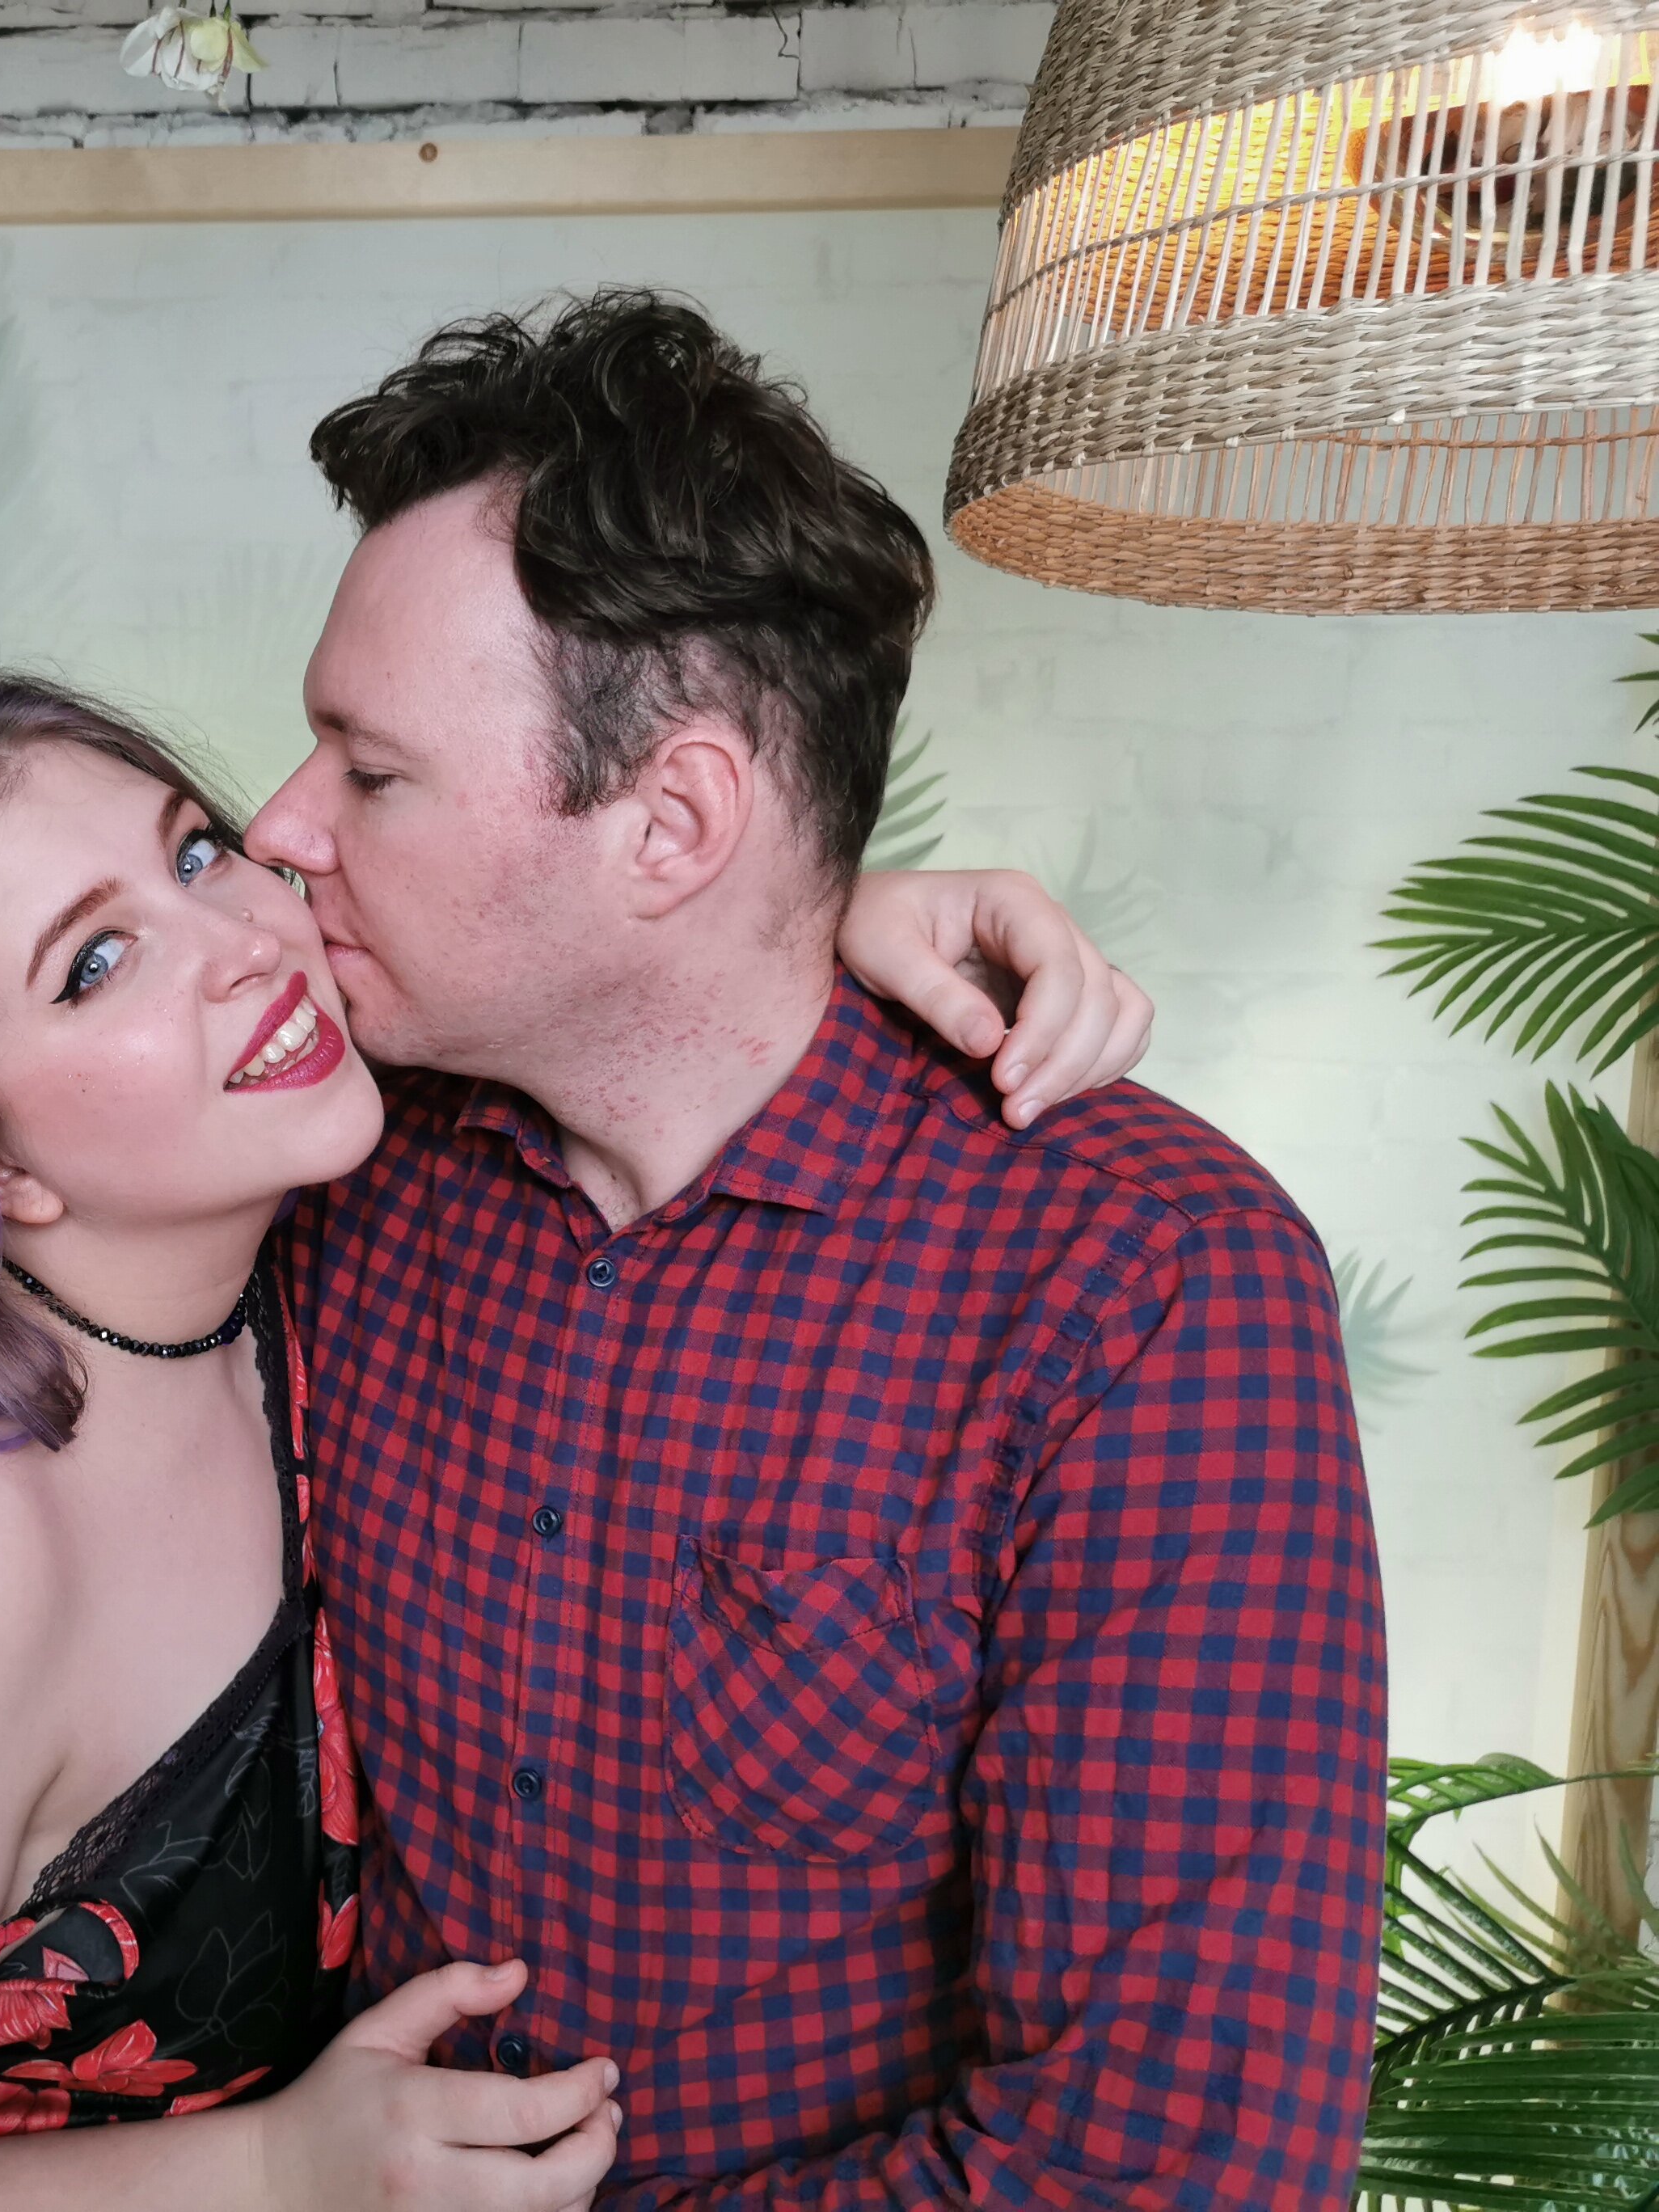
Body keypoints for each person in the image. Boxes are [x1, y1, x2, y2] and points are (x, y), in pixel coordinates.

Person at [0, 672, 1146, 2212]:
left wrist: (798, 916)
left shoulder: (306, 1234)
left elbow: (612, 999)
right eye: (96, 964)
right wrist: (273, 2175)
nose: (244, 941)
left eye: (198, 851)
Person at [243, 289, 1388, 2206]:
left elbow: (1158, 2172)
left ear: (673, 821)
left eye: (369, 772)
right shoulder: (336, 1162)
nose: (283, 829)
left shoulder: (1139, 1285)